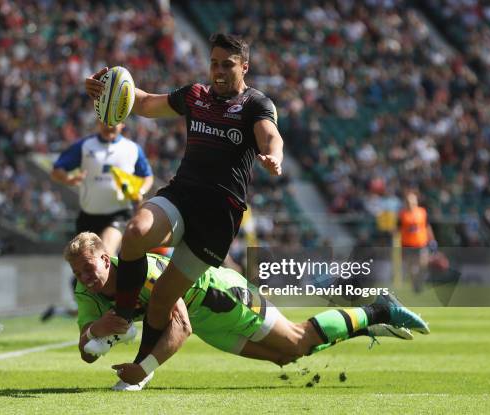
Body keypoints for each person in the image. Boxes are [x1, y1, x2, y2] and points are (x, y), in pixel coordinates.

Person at [85, 33, 285, 367]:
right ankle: (121, 321)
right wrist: (110, 89)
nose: (218, 71)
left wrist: (273, 156)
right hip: (182, 195)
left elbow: (271, 136)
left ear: (244, 68)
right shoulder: (195, 95)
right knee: (135, 232)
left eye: (227, 65)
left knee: (163, 298)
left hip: (219, 215)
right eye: (214, 63)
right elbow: (146, 102)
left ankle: (139, 369)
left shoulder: (256, 104)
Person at [64, 232, 428, 391]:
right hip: (210, 324)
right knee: (285, 358)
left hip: (223, 295)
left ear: (106, 259)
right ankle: (363, 328)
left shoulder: (143, 272)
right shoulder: (87, 291)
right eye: (78, 272)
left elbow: (180, 327)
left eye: (89, 267)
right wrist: (96, 330)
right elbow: (85, 353)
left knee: (298, 340)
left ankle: (378, 310)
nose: (85, 277)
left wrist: (142, 371)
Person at [41, 120, 154, 322]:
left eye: (114, 121)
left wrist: (141, 190)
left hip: (119, 214)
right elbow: (57, 169)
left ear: (123, 124)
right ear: (97, 123)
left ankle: (121, 313)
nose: (109, 125)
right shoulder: (85, 146)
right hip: (88, 217)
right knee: (85, 265)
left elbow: (147, 176)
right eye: (105, 121)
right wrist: (68, 179)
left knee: (105, 256)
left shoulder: (131, 149)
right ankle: (99, 312)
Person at [398, 190, 436, 292]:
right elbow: (397, 229)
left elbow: (427, 226)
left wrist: (432, 239)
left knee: (423, 264)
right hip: (407, 245)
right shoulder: (402, 214)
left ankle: (418, 281)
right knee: (411, 267)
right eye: (409, 202)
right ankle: (415, 284)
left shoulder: (422, 212)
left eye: (413, 202)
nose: (411, 204)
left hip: (421, 244)